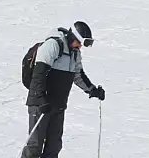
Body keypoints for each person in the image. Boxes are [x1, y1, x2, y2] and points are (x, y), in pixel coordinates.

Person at [21, 22, 105, 158]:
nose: (81, 46)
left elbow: (78, 76)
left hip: (58, 105)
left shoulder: (75, 54)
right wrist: (40, 99)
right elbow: (39, 74)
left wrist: (92, 90)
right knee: (34, 147)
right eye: (79, 42)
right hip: (41, 104)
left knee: (54, 147)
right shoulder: (53, 45)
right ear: (73, 37)